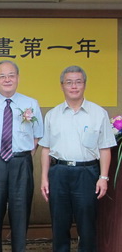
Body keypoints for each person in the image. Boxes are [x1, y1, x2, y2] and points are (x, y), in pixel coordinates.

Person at [39, 65, 115, 252]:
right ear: (62, 86)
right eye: (69, 82)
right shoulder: (52, 115)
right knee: (59, 225)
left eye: (78, 82)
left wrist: (103, 178)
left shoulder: (98, 114)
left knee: (87, 226)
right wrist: (44, 178)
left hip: (87, 173)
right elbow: (46, 148)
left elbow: (105, 148)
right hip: (59, 173)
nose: (74, 86)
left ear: (84, 85)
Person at [0, 60, 43, 252]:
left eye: (11, 75)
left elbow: (37, 136)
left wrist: (21, 155)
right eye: (2, 76)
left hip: (21, 163)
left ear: (18, 77)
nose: (7, 80)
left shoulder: (31, 103)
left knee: (21, 214)